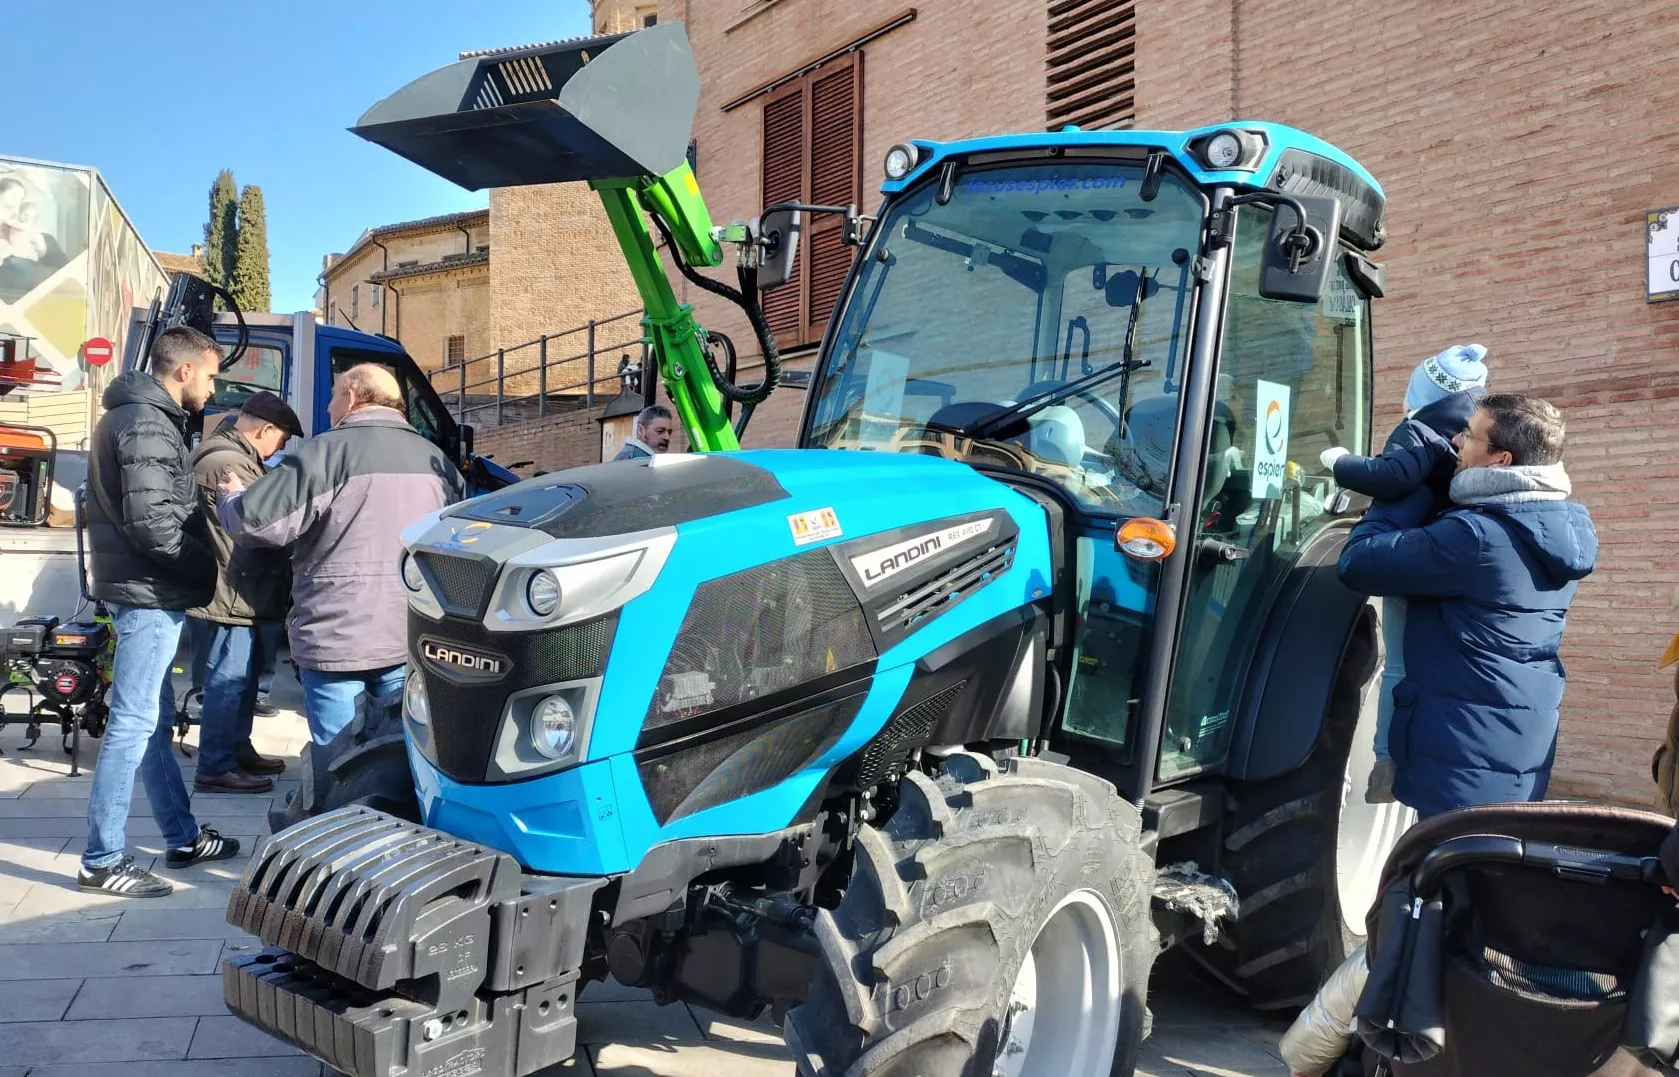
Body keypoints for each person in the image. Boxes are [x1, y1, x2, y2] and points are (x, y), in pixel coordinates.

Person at [1338, 394, 1598, 819]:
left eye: (1470, 435)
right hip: (1517, 740)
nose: (1457, 441)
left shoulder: (1474, 537)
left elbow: (1357, 563)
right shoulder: (1560, 527)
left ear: (1501, 460)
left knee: (1452, 857)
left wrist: (1400, 498)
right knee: (1490, 852)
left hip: (1465, 748)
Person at [216, 363, 464, 745]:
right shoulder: (439, 462)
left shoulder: (326, 453)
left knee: (338, 759)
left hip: (336, 637)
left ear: (350, 398)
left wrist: (232, 496)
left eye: (332, 397)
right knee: (400, 751)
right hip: (409, 635)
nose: (328, 407)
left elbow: (254, 522)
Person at [80, 326, 241, 898]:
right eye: (211, 375)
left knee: (147, 723)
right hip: (148, 592)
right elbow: (152, 523)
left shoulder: (138, 416)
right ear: (184, 370)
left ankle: (182, 836)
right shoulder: (146, 423)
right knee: (132, 723)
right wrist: (203, 567)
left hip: (144, 588)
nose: (213, 388)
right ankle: (101, 860)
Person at [1320, 343, 1489, 803]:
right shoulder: (1472, 439)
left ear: (1425, 391)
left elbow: (1390, 475)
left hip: (1406, 560)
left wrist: (1340, 463)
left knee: (1397, 663)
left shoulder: (1419, 430)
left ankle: (1386, 765)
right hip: (1446, 560)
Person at [187, 392, 302, 793]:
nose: (278, 449)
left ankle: (236, 750)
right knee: (228, 681)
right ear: (265, 429)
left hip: (242, 587)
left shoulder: (236, 457)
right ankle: (215, 764)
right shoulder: (228, 462)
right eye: (280, 440)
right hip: (232, 589)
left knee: (243, 679)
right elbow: (262, 521)